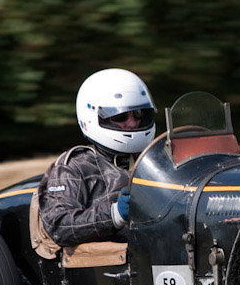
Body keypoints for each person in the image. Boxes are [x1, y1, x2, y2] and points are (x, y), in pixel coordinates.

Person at [38, 68, 156, 247]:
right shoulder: (74, 167)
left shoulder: (156, 159)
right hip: (114, 264)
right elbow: (59, 226)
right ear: (94, 118)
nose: (132, 123)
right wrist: (114, 214)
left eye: (138, 115)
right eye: (121, 116)